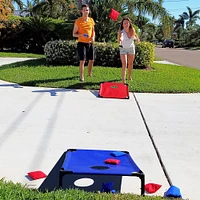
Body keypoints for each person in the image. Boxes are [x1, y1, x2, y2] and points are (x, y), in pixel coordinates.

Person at [73, 4, 95, 82]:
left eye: (87, 10)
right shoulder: (78, 21)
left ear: (89, 11)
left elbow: (93, 31)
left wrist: (93, 37)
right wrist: (81, 35)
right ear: (81, 11)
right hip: (81, 43)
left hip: (90, 43)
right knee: (82, 60)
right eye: (84, 10)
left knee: (91, 60)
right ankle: (81, 76)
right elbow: (74, 34)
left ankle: (89, 74)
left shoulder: (91, 20)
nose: (86, 11)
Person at [117, 17, 140, 83]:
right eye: (124, 23)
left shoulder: (132, 30)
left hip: (131, 48)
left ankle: (129, 76)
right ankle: (123, 80)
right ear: (122, 24)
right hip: (123, 48)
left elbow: (135, 35)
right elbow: (120, 39)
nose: (126, 24)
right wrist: (120, 41)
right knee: (124, 64)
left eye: (127, 23)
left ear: (129, 24)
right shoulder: (121, 32)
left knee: (130, 64)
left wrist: (137, 39)